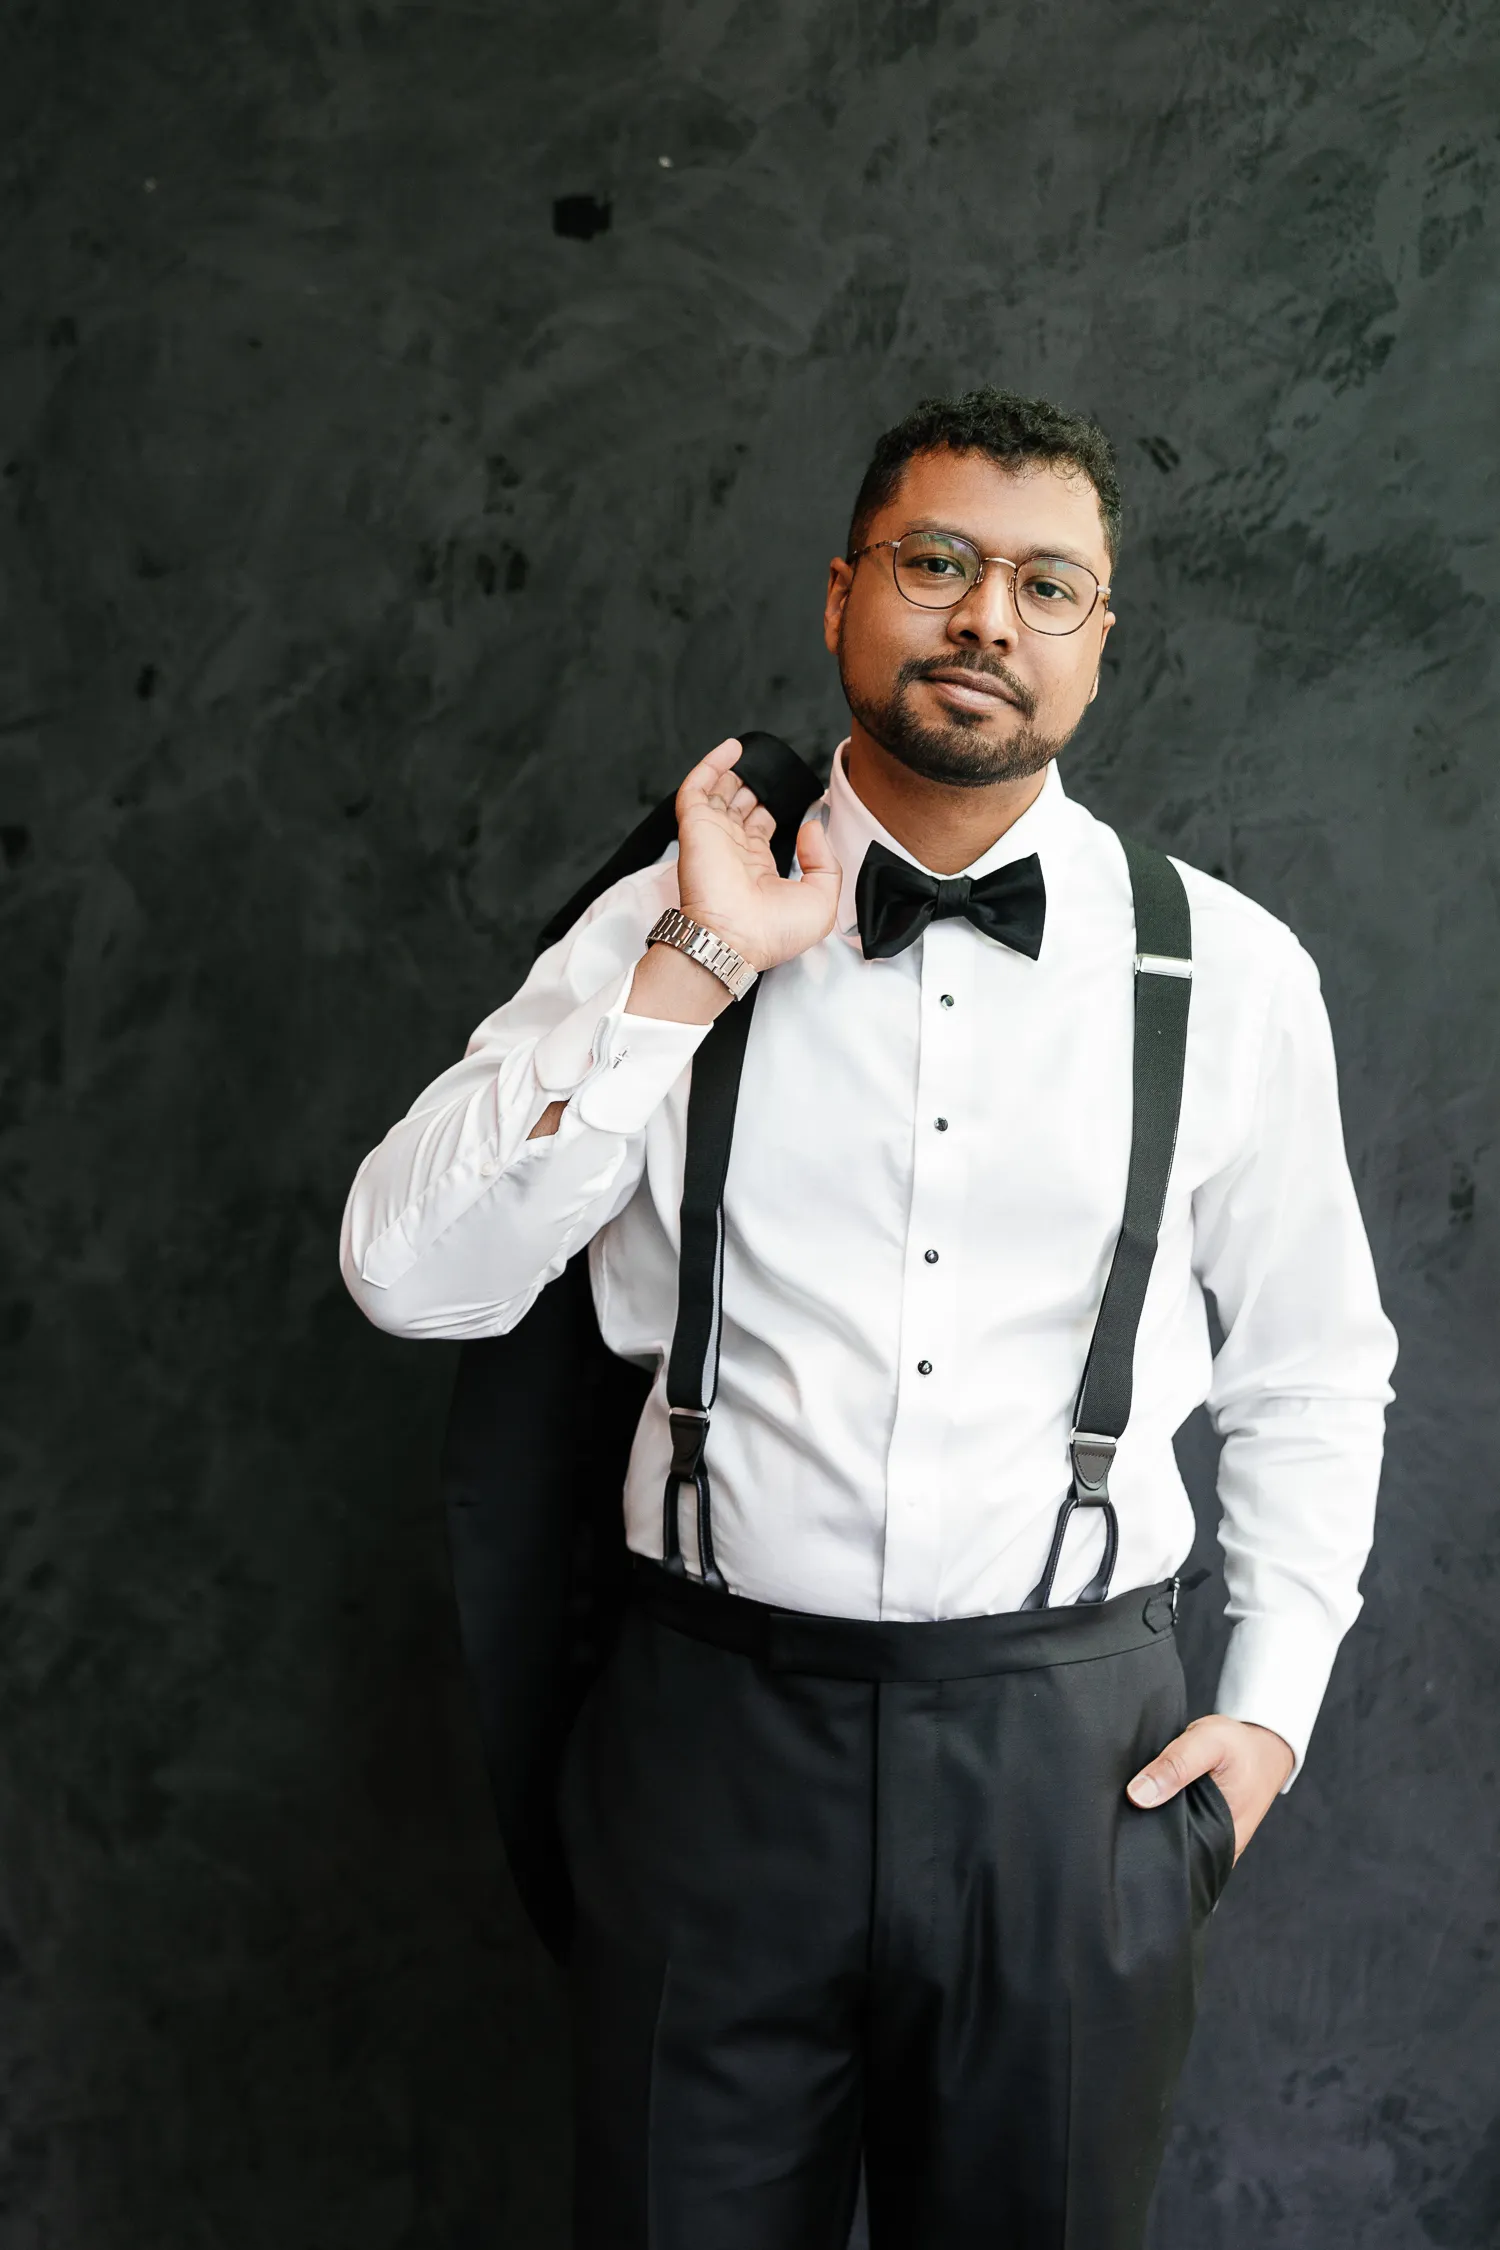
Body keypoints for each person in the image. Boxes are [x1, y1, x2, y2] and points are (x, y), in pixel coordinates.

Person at [339, 388, 1397, 2250]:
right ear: (844, 598)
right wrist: (690, 966)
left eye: (1048, 585)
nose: (990, 615)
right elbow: (412, 1276)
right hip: (709, 1752)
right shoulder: (658, 921)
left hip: (1072, 1778)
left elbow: (1318, 1367)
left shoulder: (1224, 969)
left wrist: (1272, 1719)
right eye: (939, 561)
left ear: (1096, 643)